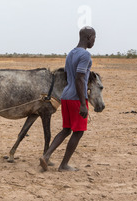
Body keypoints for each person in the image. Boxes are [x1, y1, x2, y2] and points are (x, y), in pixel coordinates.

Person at [40, 26, 96, 172]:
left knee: (66, 129)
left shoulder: (71, 53)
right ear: (89, 37)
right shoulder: (85, 55)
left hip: (65, 96)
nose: (94, 41)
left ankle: (46, 156)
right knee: (78, 132)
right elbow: (79, 78)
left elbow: (69, 76)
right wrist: (83, 103)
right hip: (76, 98)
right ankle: (64, 165)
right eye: (94, 38)